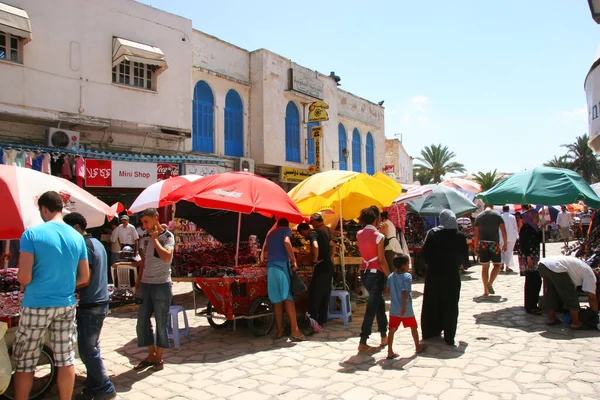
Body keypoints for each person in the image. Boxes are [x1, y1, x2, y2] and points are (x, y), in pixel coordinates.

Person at [13, 191, 90, 400]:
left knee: (25, 363)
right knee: (66, 359)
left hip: (36, 303)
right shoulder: (77, 236)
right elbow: (84, 277)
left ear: (44, 209)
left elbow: (24, 277)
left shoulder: (31, 234)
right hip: (65, 304)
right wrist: (62, 283)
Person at [63, 213, 116, 400]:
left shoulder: (85, 245)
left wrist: (64, 285)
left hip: (92, 303)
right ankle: (93, 385)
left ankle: (105, 386)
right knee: (91, 347)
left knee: (88, 350)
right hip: (98, 301)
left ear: (76, 227)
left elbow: (85, 278)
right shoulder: (97, 243)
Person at [114, 208, 174, 371]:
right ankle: (151, 353)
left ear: (156, 219)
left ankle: (159, 357)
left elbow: (167, 257)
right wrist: (138, 281)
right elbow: (144, 262)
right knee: (142, 321)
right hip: (146, 285)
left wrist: (155, 240)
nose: (144, 225)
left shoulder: (168, 236)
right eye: (142, 223)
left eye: (146, 222)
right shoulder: (145, 238)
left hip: (162, 284)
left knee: (161, 321)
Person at [421, 210, 469, 346]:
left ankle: (431, 331)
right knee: (450, 305)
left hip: (434, 275)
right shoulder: (459, 236)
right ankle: (449, 335)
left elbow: (425, 255)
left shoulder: (432, 234)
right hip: (451, 276)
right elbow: (464, 259)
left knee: (432, 302)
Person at [355, 207, 390, 353]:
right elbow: (382, 260)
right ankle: (363, 340)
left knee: (379, 304)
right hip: (377, 274)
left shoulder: (359, 234)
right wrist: (390, 276)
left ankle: (384, 335)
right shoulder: (379, 237)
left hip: (365, 272)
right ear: (376, 219)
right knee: (372, 307)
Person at [263, 219, 305, 341]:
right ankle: (295, 330)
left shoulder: (270, 233)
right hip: (282, 266)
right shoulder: (286, 230)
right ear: (287, 225)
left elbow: (265, 250)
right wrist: (294, 260)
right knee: (288, 299)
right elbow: (286, 242)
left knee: (276, 300)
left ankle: (279, 331)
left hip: (271, 267)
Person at [538, 256, 598, 329]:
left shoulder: (582, 268)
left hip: (543, 265)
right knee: (570, 296)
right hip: (557, 267)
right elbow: (592, 298)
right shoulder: (590, 275)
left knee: (552, 292)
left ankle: (551, 318)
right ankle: (575, 323)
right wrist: (595, 315)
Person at [386, 254, 427, 359]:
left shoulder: (391, 276)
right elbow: (405, 292)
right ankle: (417, 346)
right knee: (413, 327)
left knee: (392, 329)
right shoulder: (407, 276)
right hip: (406, 308)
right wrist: (404, 306)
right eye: (408, 263)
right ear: (404, 265)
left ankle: (390, 350)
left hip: (394, 308)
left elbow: (387, 289)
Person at [297, 222, 333, 326]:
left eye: (303, 234)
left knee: (316, 294)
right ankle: (322, 319)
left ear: (304, 231)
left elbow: (315, 246)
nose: (304, 237)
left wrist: (314, 260)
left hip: (321, 268)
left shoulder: (313, 234)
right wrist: (328, 258)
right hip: (328, 266)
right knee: (325, 294)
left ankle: (312, 319)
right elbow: (333, 245)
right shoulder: (322, 233)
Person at [474, 205, 508, 296]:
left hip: (483, 244)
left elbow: (476, 233)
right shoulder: (497, 216)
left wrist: (475, 246)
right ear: (492, 207)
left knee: (485, 267)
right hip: (494, 244)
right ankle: (490, 283)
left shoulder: (479, 217)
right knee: (497, 265)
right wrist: (505, 243)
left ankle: (485, 290)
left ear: (484, 207)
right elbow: (503, 230)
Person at [518, 210, 543, 314]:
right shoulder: (526, 229)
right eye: (536, 217)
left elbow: (539, 240)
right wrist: (528, 256)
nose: (538, 219)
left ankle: (532, 304)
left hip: (534, 257)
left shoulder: (534, 228)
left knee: (535, 280)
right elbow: (525, 244)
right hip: (530, 257)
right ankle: (531, 305)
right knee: (533, 281)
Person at [500, 205, 519, 273]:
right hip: (511, 237)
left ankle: (501, 264)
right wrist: (517, 236)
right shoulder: (512, 217)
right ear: (508, 209)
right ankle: (507, 266)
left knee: (501, 251)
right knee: (509, 252)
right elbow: (515, 227)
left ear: (502, 209)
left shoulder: (500, 216)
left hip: (501, 236)